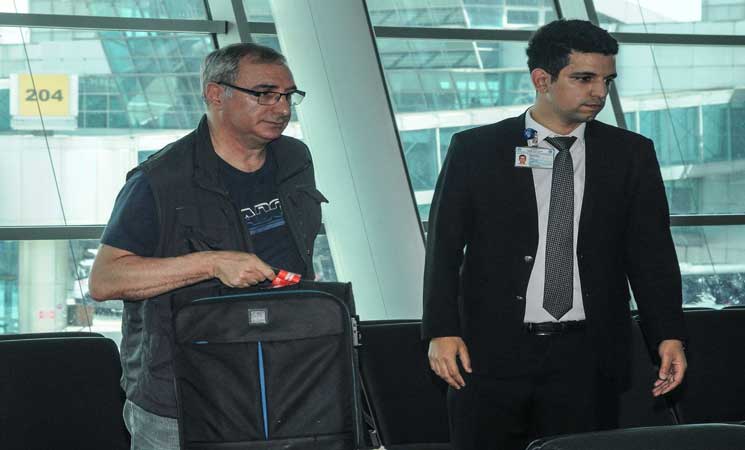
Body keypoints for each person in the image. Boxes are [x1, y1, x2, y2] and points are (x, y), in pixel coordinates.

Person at [423, 19, 687, 450]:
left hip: (587, 357)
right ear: (542, 80)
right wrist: (440, 330)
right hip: (488, 353)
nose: (599, 92)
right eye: (583, 78)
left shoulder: (630, 154)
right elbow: (444, 247)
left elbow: (651, 254)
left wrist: (668, 335)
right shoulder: (477, 149)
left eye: (607, 80)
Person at [89, 43, 326, 450]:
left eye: (289, 96)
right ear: (216, 94)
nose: (282, 108)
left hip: (283, 380)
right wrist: (212, 263)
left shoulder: (294, 158)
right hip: (184, 393)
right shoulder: (159, 180)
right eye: (265, 94)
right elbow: (105, 279)